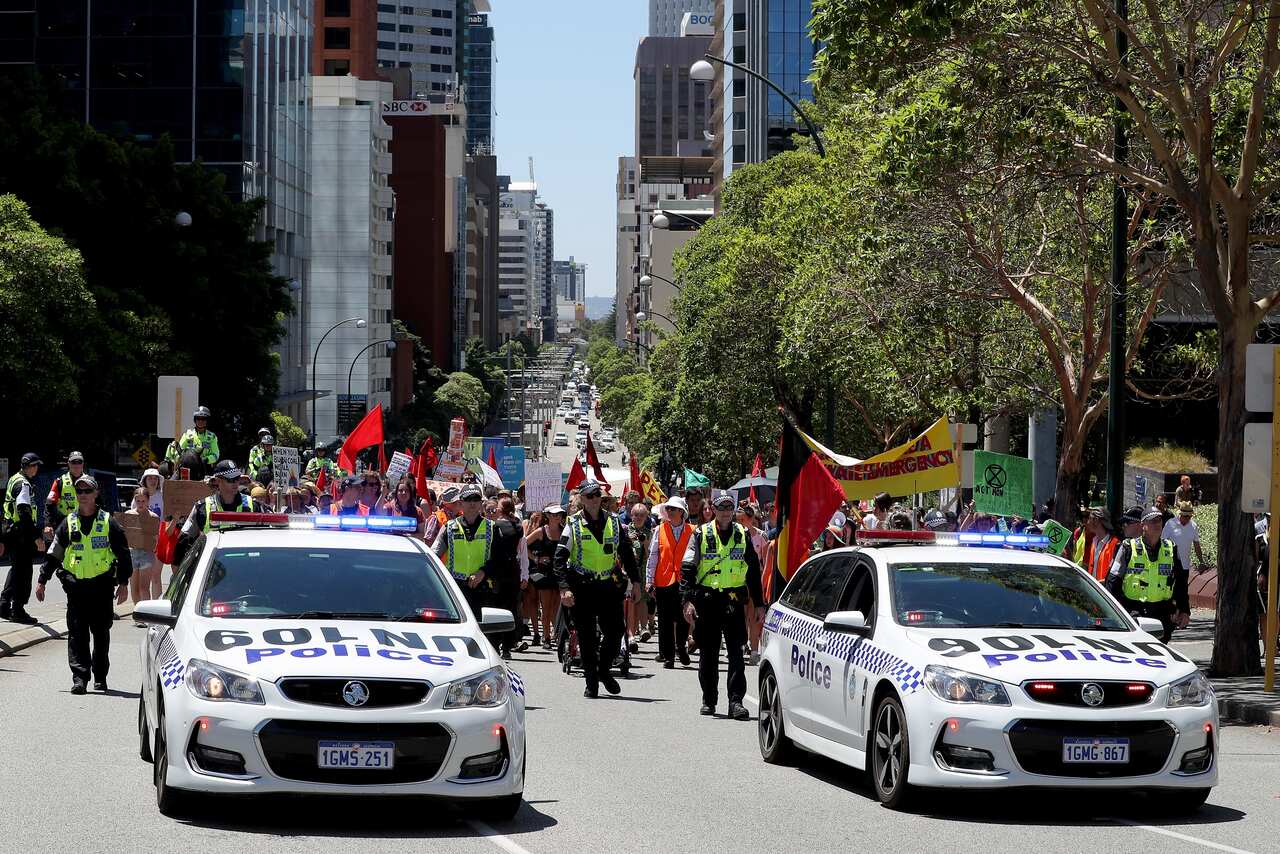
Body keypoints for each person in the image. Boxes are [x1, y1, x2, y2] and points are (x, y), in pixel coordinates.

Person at [34, 475, 132, 693]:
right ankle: (80, 678)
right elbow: (54, 553)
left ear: (96, 494)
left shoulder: (108, 522)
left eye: (88, 491)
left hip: (102, 587)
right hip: (76, 587)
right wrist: (42, 580)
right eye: (80, 492)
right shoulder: (68, 523)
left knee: (101, 633)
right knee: (77, 634)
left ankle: (100, 676)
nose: (83, 496)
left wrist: (124, 583)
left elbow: (123, 554)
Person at [554, 479, 641, 699]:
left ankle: (603, 670)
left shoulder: (613, 521)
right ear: (581, 499)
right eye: (589, 496)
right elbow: (559, 559)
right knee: (587, 637)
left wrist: (636, 582)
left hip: (608, 586)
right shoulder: (572, 524)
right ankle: (591, 682)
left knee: (615, 632)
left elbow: (627, 554)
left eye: (596, 495)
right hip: (582, 587)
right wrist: (564, 588)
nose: (593, 500)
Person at [682, 493, 764, 720]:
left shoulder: (743, 534)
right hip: (707, 600)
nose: (726, 512)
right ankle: (709, 699)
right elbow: (688, 568)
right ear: (714, 509)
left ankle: (736, 701)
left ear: (734, 510)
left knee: (736, 652)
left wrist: (759, 603)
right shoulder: (700, 533)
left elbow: (754, 571)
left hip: (734, 601)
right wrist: (687, 600)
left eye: (730, 508)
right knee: (708, 653)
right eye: (721, 508)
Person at [1106, 508, 1191, 643]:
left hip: (1163, 612)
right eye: (1152, 521)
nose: (1157, 524)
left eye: (1159, 520)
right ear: (1142, 525)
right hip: (1134, 612)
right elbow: (1112, 582)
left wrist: (1184, 610)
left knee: (1160, 655)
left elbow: (1181, 582)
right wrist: (1117, 614)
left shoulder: (1171, 548)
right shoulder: (1128, 547)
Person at [173, 461, 264, 566]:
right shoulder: (202, 507)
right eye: (231, 479)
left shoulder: (253, 505)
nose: (236, 483)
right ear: (218, 481)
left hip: (245, 567)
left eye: (237, 478)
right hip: (214, 570)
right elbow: (182, 543)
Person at [432, 483, 498, 619]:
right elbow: (434, 556)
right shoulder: (449, 527)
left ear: (481, 503)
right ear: (461, 503)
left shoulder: (492, 528)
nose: (472, 503)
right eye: (468, 499)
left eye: (476, 499)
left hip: (483, 589)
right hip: (455, 590)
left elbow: (500, 559)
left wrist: (483, 572)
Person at [648, 497, 693, 669]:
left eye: (673, 509)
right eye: (668, 509)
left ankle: (680, 647)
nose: (670, 512)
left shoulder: (692, 530)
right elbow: (653, 556)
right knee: (665, 620)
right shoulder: (659, 530)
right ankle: (668, 656)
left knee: (683, 618)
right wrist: (649, 580)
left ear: (681, 512)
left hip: (684, 581)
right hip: (663, 580)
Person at [1, 452, 45, 624]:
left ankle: (4, 605)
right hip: (22, 533)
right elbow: (24, 512)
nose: (37, 469)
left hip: (12, 531)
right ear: (29, 466)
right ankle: (18, 610)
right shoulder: (24, 484)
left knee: (16, 569)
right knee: (25, 572)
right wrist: (36, 537)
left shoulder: (14, 478)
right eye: (35, 465)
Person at [524, 506, 565, 649]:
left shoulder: (564, 530)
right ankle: (546, 637)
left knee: (557, 607)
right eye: (554, 514)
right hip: (545, 573)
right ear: (547, 515)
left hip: (559, 572)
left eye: (559, 514)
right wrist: (536, 559)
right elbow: (523, 544)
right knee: (546, 607)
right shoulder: (541, 531)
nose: (557, 517)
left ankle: (557, 636)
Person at [489, 497, 524, 659]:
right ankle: (507, 647)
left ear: (500, 509)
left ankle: (495, 645)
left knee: (496, 608)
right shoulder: (518, 526)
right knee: (510, 609)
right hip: (512, 570)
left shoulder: (494, 526)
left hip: (498, 570)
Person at [125, 486, 163, 614]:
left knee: (144, 587)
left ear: (148, 501)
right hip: (132, 552)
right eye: (138, 501)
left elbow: (156, 537)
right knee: (134, 586)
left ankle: (146, 614)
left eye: (143, 501)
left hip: (147, 553)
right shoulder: (129, 514)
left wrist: (153, 545)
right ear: (134, 501)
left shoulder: (153, 517)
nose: (140, 504)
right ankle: (138, 613)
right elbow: (124, 535)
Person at [622, 502, 652, 652]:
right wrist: (630, 540)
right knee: (631, 601)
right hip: (628, 571)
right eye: (636, 515)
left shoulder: (649, 532)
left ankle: (644, 627)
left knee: (643, 599)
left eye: (642, 515)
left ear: (646, 516)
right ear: (631, 516)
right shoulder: (625, 530)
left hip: (643, 569)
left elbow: (651, 554)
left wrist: (645, 542)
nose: (639, 517)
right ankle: (631, 634)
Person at [45, 450, 89, 536]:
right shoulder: (60, 482)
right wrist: (48, 524)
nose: (76, 465)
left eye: (79, 462)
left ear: (83, 464)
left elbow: (98, 504)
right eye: (73, 462)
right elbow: (49, 504)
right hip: (64, 524)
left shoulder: (90, 482)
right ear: (68, 464)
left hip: (85, 523)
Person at [1164, 501, 1209, 575]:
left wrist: (1201, 561)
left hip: (1185, 566)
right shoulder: (1170, 524)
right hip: (1170, 565)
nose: (1188, 518)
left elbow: (1196, 545)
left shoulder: (1193, 526)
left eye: (1189, 516)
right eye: (1186, 516)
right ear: (1181, 514)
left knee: (1183, 586)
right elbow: (1162, 542)